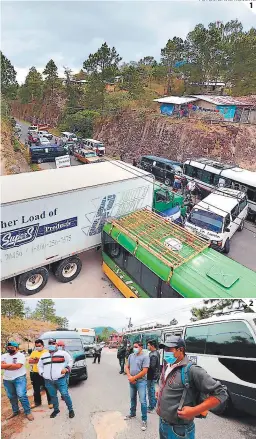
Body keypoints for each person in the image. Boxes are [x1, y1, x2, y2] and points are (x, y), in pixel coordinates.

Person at [157, 336, 228, 439]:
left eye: (169, 349)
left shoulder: (192, 370)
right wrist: (161, 390)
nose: (166, 352)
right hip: (163, 423)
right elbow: (165, 382)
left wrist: (195, 411)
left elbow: (221, 393)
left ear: (180, 350)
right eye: (165, 349)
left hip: (179, 431)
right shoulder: (168, 365)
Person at [38, 338, 74, 418]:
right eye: (50, 343)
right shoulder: (44, 355)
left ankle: (70, 409)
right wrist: (42, 373)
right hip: (48, 381)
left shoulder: (63, 353)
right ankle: (56, 410)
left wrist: (67, 369)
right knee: (53, 396)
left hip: (60, 379)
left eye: (53, 343)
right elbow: (40, 366)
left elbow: (70, 361)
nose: (52, 345)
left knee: (65, 394)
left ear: (56, 344)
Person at [1, 341, 34, 421]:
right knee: (11, 396)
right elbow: (1, 366)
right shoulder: (3, 355)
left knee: (22, 395)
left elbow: (18, 366)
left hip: (19, 378)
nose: (9, 349)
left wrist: (6, 365)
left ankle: (28, 412)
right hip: (7, 379)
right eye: (8, 348)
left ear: (17, 348)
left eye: (11, 348)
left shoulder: (21, 355)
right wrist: (11, 365)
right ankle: (15, 411)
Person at [124, 342, 150, 431]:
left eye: (136, 347)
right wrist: (129, 377)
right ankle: (132, 413)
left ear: (141, 347)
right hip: (131, 381)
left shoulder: (145, 357)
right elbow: (127, 367)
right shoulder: (131, 355)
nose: (134, 348)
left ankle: (144, 420)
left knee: (143, 401)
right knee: (132, 398)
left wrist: (134, 378)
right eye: (133, 347)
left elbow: (144, 371)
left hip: (141, 382)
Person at [29, 339, 52, 409]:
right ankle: (37, 402)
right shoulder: (33, 352)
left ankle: (50, 402)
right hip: (35, 373)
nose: (38, 347)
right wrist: (40, 360)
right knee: (36, 389)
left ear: (43, 345)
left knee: (47, 388)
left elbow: (47, 361)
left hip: (45, 373)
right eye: (36, 346)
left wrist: (37, 360)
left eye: (39, 346)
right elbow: (30, 361)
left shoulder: (47, 352)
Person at [147, 340, 160, 413]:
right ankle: (154, 404)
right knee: (153, 390)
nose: (148, 346)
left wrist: (144, 365)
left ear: (152, 346)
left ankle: (151, 407)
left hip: (151, 375)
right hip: (154, 375)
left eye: (148, 345)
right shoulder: (155, 353)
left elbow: (152, 366)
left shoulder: (154, 355)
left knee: (151, 391)